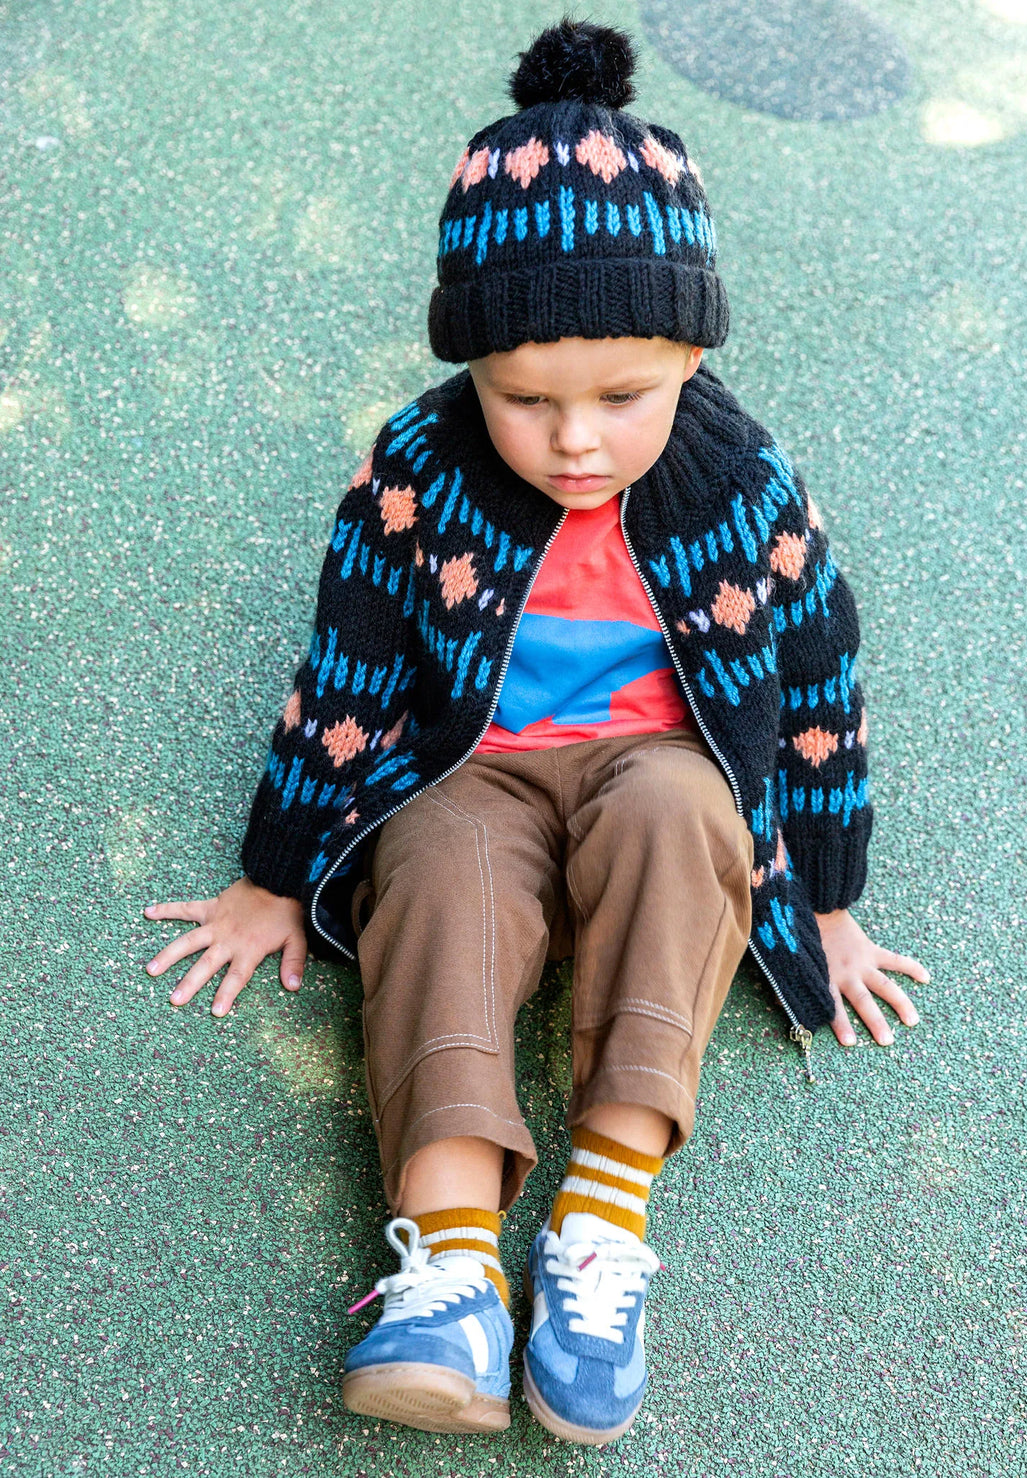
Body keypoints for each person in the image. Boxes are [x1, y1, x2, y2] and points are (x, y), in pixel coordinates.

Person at [143, 16, 928, 1447]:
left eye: (622, 397)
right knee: (433, 864)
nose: (576, 439)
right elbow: (349, 663)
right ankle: (448, 1265)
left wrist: (828, 898)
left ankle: (598, 1228)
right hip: (475, 766)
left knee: (685, 818)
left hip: (662, 769)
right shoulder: (419, 467)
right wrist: (271, 872)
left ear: (691, 348)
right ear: (470, 366)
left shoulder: (743, 480)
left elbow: (819, 680)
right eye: (526, 398)